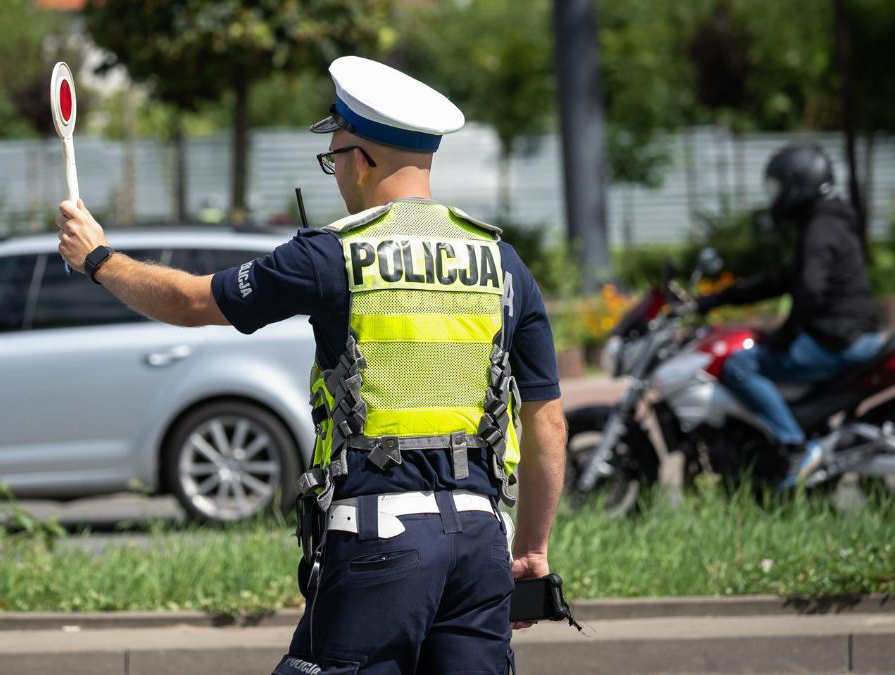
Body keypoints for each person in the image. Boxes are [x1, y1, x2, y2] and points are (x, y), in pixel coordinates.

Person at [56, 55, 567, 674]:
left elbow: (192, 301)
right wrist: (531, 547)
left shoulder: (333, 256)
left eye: (335, 157)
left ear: (361, 158)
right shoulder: (504, 264)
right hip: (482, 543)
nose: (335, 175)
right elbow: (547, 421)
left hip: (380, 539)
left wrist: (98, 258)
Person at [696, 143, 881, 489]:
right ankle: (807, 431)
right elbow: (782, 278)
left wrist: (787, 334)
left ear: (800, 185)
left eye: (779, 187)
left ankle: (795, 446)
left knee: (739, 365)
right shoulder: (827, 221)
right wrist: (719, 298)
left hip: (839, 340)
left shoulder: (820, 228)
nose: (776, 196)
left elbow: (809, 291)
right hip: (848, 334)